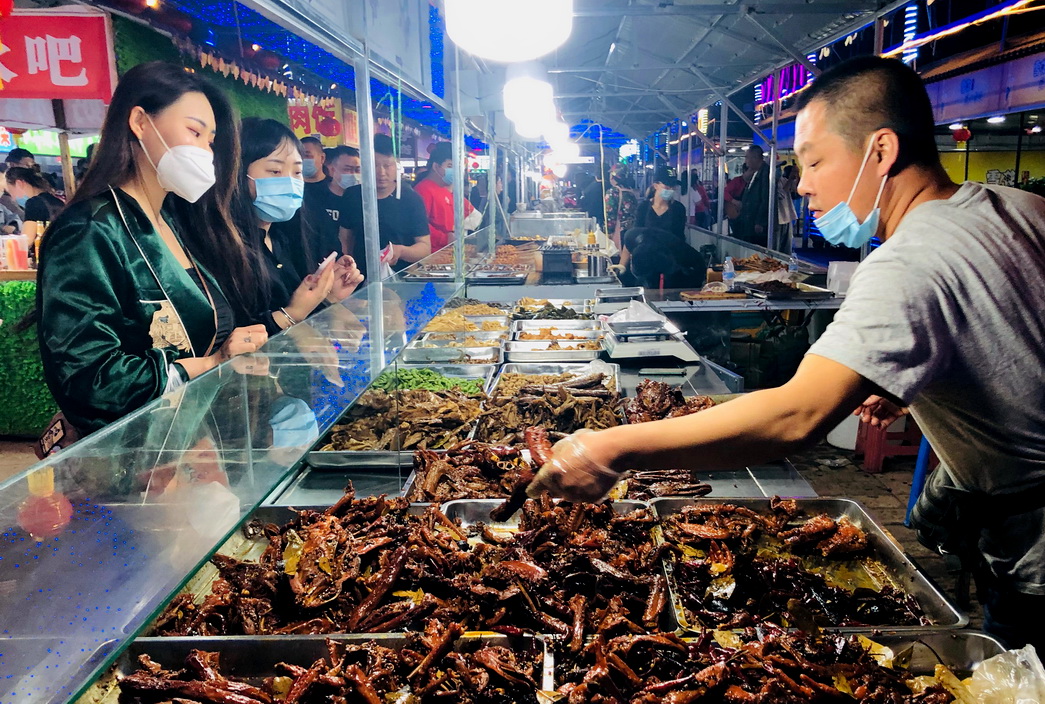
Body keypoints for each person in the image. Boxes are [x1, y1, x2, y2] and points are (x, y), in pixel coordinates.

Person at [527, 55, 1045, 652]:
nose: (801, 184)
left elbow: (792, 417)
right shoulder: (1017, 210)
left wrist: (609, 448)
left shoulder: (909, 262)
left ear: (880, 151)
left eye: (814, 161)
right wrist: (921, 375)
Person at [37, 61, 268, 436]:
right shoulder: (90, 229)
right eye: (194, 131)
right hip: (128, 458)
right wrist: (211, 363)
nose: (205, 152)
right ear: (140, 122)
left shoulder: (173, 221)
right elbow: (87, 378)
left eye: (210, 140)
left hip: (185, 442)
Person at [229, 118, 362, 338]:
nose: (289, 182)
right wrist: (292, 313)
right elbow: (229, 340)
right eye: (274, 171)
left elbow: (297, 327)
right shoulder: (225, 245)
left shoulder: (284, 239)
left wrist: (326, 296)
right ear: (237, 172)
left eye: (297, 172)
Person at [339, 133, 431, 281]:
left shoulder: (411, 199)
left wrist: (401, 251)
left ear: (396, 166)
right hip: (360, 279)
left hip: (401, 279)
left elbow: (425, 247)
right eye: (374, 165)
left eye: (387, 165)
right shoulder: (353, 196)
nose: (381, 172)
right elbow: (345, 238)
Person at [413, 141, 477, 251]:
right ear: (436, 166)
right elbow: (419, 226)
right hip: (433, 254)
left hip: (448, 251)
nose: (455, 171)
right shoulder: (423, 190)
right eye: (450, 166)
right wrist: (445, 238)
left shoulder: (444, 189)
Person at [302, 145, 361, 257]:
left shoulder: (361, 200)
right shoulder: (314, 196)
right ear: (333, 169)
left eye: (357, 170)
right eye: (347, 169)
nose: (353, 174)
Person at [619, 226, 706, 290]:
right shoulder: (631, 236)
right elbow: (627, 248)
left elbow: (653, 281)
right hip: (688, 262)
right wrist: (620, 269)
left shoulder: (657, 252)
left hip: (693, 269)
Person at [4, 166, 63, 236]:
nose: (13, 198)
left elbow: (27, 239)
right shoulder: (55, 201)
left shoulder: (34, 203)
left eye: (11, 192)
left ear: (19, 183)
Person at [635, 166, 687, 240]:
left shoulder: (678, 208)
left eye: (673, 186)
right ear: (656, 185)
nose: (671, 189)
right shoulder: (643, 207)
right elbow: (635, 234)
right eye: (667, 186)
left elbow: (679, 237)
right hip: (646, 250)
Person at [738, 145, 770, 244]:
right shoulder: (755, 172)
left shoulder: (766, 173)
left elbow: (766, 198)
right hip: (749, 221)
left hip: (757, 223)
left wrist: (760, 221)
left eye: (747, 157)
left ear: (755, 158)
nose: (746, 161)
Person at [604, 171, 638, 250]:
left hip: (619, 230)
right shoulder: (630, 190)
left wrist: (609, 231)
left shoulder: (612, 192)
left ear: (612, 177)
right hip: (632, 229)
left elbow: (610, 212)